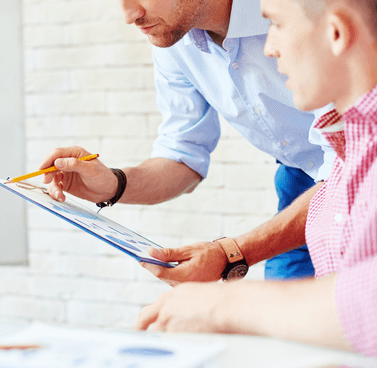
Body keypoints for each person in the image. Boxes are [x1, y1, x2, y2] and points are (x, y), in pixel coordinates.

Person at [134, 0, 377, 355]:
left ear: (337, 33)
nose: (267, 48)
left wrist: (221, 306)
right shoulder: (345, 148)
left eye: (276, 25)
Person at [39, 0, 336, 283]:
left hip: (359, 168)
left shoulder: (309, 14)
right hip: (300, 184)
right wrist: (113, 184)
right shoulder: (174, 35)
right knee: (287, 323)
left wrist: (230, 254)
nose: (129, 15)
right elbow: (183, 151)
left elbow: (348, 166)